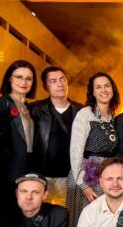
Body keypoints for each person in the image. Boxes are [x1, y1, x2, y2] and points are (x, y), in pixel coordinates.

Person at [69, 72, 120, 227]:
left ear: (113, 89)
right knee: (85, 226)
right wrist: (83, 184)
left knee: (105, 225)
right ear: (92, 92)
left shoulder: (112, 116)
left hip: (108, 175)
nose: (103, 90)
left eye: (107, 86)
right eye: (98, 87)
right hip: (87, 176)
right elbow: (75, 151)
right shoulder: (85, 114)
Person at [0, 60, 38, 221]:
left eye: (29, 78)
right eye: (19, 77)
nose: (24, 82)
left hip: (27, 172)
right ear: (9, 78)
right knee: (6, 220)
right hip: (5, 175)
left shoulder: (31, 108)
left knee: (24, 220)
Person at [30, 66, 84, 208]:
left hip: (70, 178)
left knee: (68, 217)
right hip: (42, 178)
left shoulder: (81, 111)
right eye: (53, 81)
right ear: (45, 86)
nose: (60, 84)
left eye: (62, 79)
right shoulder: (35, 110)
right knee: (41, 217)